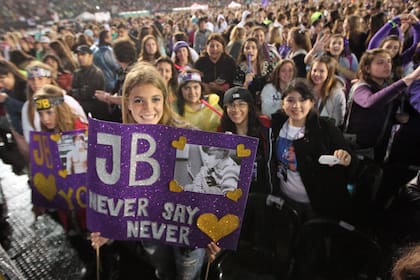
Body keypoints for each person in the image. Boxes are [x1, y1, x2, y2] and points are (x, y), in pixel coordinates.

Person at [91, 63, 206, 280]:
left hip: (187, 236)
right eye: (138, 100)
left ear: (164, 100)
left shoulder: (189, 136)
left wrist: (215, 233)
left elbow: (207, 195)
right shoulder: (120, 143)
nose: (148, 108)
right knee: (163, 272)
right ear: (127, 104)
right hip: (149, 232)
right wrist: (108, 229)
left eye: (155, 99)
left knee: (188, 276)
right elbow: (121, 196)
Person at [271, 78, 355, 221]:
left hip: (316, 204)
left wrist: (346, 158)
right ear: (283, 103)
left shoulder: (325, 128)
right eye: (290, 100)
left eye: (303, 100)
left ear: (311, 103)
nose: (296, 105)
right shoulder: (276, 126)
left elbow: (350, 160)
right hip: (284, 199)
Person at [345, 49, 420, 162]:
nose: (387, 65)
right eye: (380, 62)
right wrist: (408, 79)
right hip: (355, 149)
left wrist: (397, 118)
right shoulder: (360, 87)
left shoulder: (387, 87)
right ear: (367, 68)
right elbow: (370, 102)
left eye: (389, 61)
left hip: (378, 149)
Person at [220, 86, 272, 194]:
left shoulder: (264, 130)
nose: (236, 109)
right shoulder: (221, 132)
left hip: (261, 193)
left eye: (241, 104)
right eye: (231, 105)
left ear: (249, 107)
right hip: (233, 194)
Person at [70, 44, 109, 121]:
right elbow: (73, 91)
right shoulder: (77, 73)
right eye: (78, 55)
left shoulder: (96, 72)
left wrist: (78, 92)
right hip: (81, 110)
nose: (80, 57)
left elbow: (90, 93)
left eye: (83, 54)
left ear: (91, 56)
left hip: (96, 112)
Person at [194, 33, 236, 102]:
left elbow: (235, 82)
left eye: (217, 46)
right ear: (206, 48)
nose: (214, 49)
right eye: (211, 46)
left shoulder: (229, 62)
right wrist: (204, 86)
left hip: (226, 98)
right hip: (205, 98)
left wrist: (220, 88)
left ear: (222, 48)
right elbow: (195, 80)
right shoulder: (200, 62)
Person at [233, 37, 274, 107]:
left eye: (253, 48)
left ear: (258, 50)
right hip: (247, 104)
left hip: (266, 103)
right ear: (243, 51)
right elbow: (236, 94)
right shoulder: (238, 69)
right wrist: (246, 83)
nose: (250, 51)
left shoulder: (267, 66)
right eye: (247, 48)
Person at [307, 55, 346, 126]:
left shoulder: (337, 93)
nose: (317, 74)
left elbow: (338, 121)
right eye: (314, 70)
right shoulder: (305, 89)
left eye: (321, 71)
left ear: (329, 73)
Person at [0, 60, 27, 134]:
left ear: (11, 74)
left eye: (2, 80)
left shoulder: (26, 87)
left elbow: (31, 109)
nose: (0, 85)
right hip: (18, 130)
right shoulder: (6, 90)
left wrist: (7, 100)